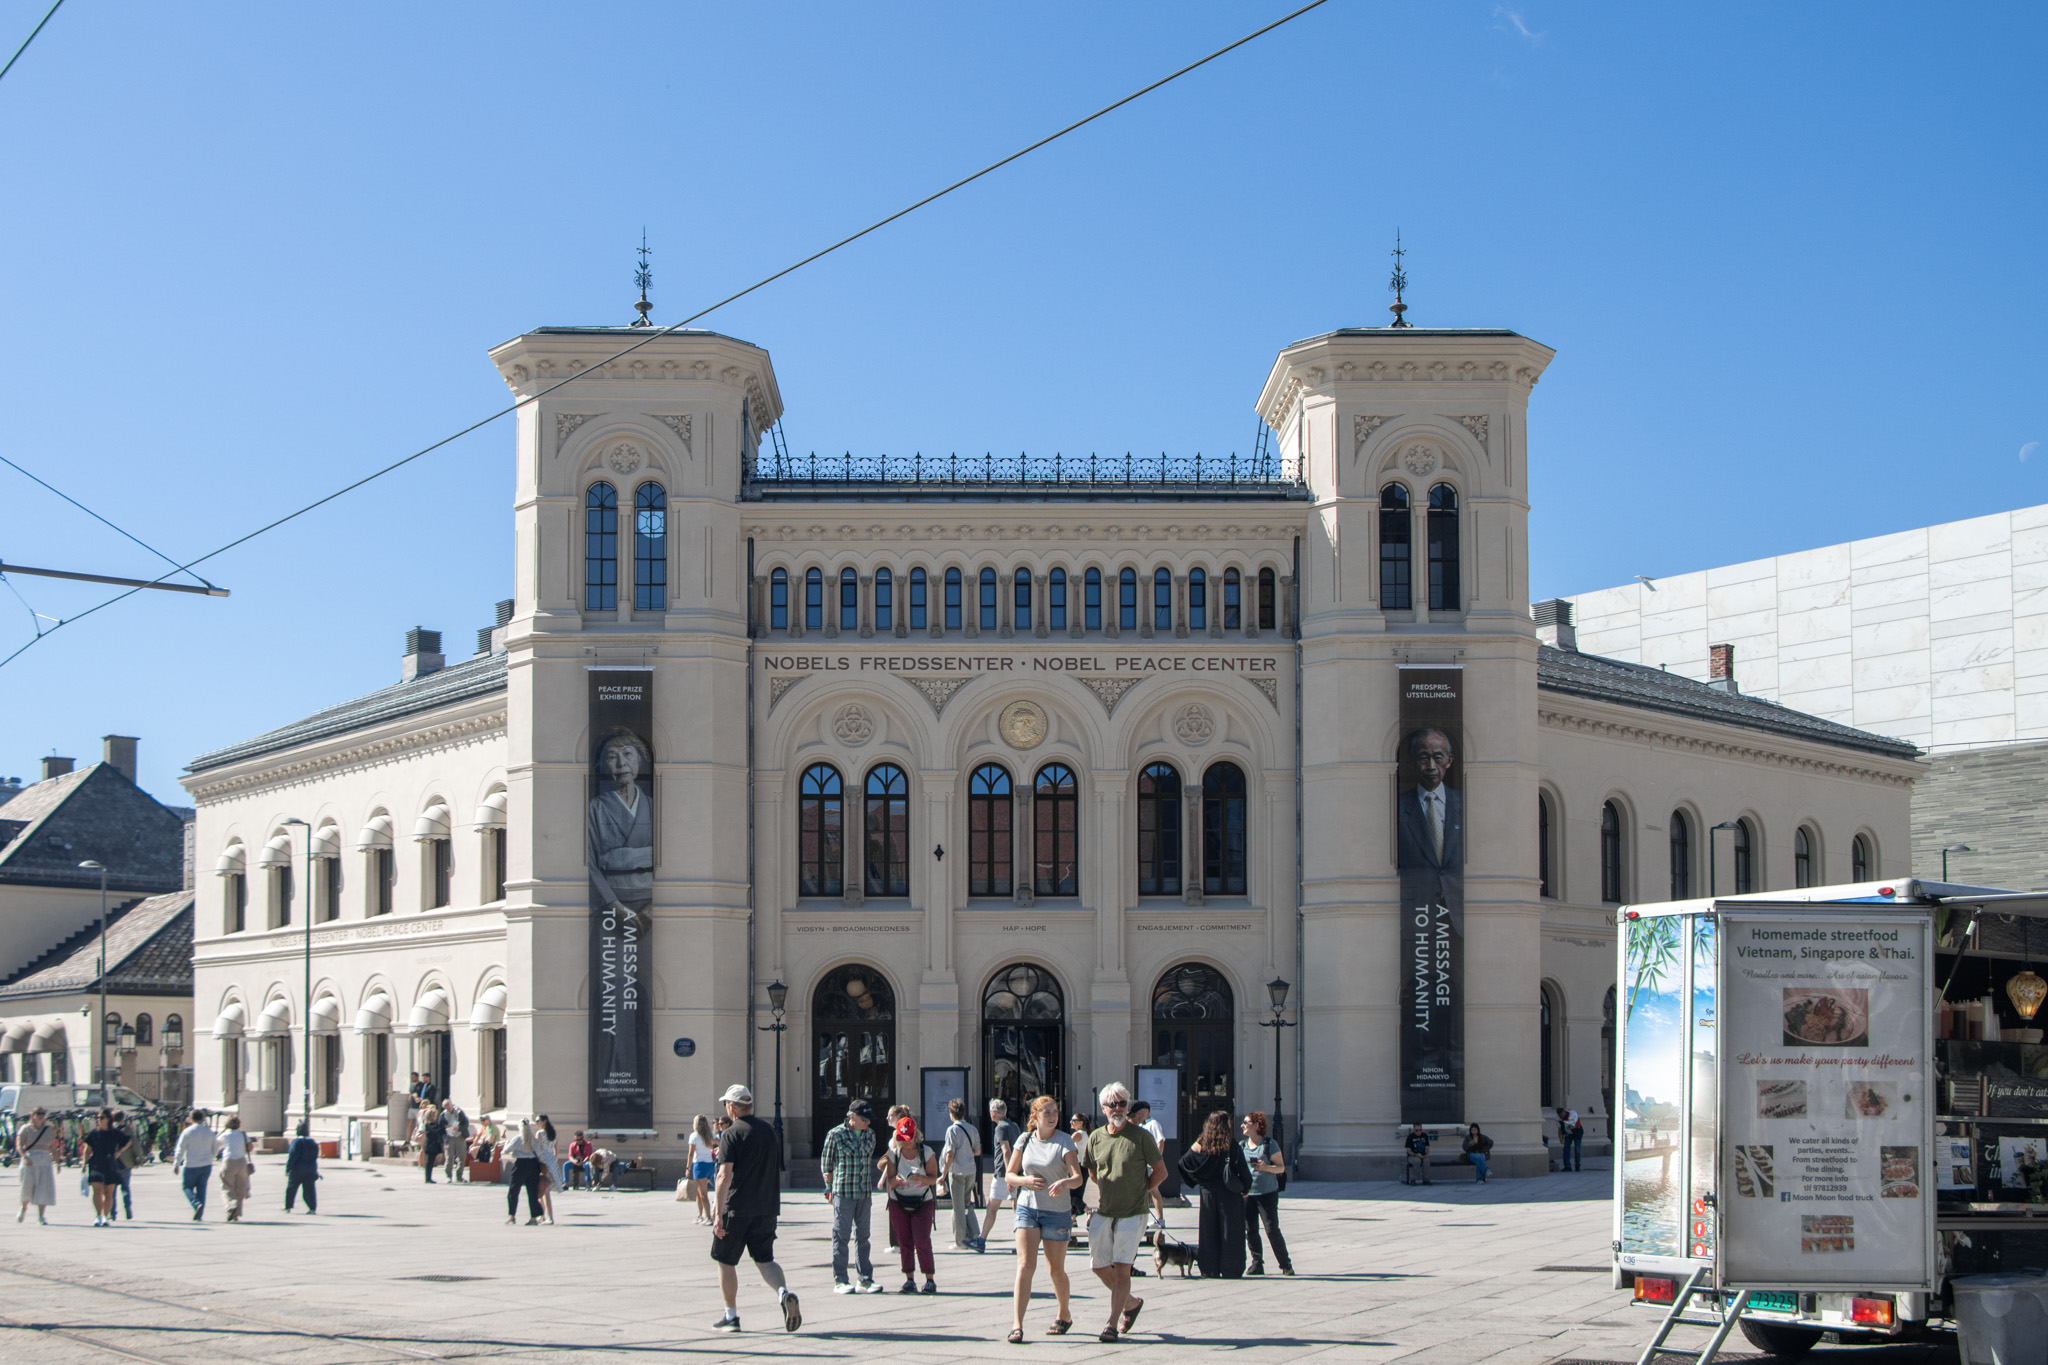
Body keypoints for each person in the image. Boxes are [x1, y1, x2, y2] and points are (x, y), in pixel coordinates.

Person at [709, 1083, 800, 1334]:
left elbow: (724, 1176)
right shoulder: (770, 1132)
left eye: (726, 1104)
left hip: (736, 1208)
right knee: (765, 1259)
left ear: (733, 1107)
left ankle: (731, 1316)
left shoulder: (731, 1134)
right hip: (766, 1208)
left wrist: (717, 1214)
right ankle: (783, 1293)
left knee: (725, 1261)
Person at [1080, 1081, 1167, 1343]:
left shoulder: (1141, 1136)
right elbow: (1093, 1172)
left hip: (1133, 1213)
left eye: (1122, 1103)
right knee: (1098, 1265)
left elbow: (1161, 1172)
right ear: (1103, 1108)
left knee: (1122, 1269)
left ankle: (1111, 1323)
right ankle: (1131, 1303)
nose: (1118, 1108)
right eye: (1112, 1104)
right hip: (1105, 1211)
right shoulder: (1096, 1137)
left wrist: (1142, 1190)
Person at [1006, 1094, 1082, 1342]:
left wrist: (1065, 1183)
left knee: (1055, 1270)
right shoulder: (1024, 1139)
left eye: (1055, 1112)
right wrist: (1025, 1180)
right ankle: (1017, 1325)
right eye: (1047, 1112)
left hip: (1057, 1212)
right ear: (1035, 1116)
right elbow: (1009, 1175)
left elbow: (1077, 1178)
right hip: (1028, 1208)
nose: (1052, 1117)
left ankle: (1064, 1314)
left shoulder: (1064, 1142)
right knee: (1025, 1265)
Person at [1177, 1110, 1252, 1280]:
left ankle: (1209, 1268)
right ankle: (1231, 1268)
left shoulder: (1201, 1143)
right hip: (1229, 1193)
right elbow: (1244, 1172)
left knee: (1208, 1230)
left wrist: (1195, 1180)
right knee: (1230, 1230)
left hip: (1207, 1193)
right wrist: (1245, 1189)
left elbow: (1183, 1163)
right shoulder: (1230, 1145)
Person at [819, 1098, 882, 1294]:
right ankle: (841, 1279)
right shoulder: (835, 1135)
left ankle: (865, 1279)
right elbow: (826, 1164)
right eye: (865, 1119)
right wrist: (828, 1188)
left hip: (864, 1191)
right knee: (841, 1235)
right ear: (852, 1117)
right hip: (843, 1192)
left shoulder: (869, 1134)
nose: (868, 1123)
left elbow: (865, 1153)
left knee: (863, 1236)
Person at [883, 1113, 939, 1294]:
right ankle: (909, 1279)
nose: (905, 1142)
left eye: (907, 1138)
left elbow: (933, 1179)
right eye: (901, 1138)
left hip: (922, 1201)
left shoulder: (927, 1153)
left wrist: (920, 1178)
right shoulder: (894, 1154)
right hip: (898, 1200)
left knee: (922, 1239)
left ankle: (929, 1279)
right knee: (904, 1241)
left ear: (915, 1135)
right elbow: (889, 1182)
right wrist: (896, 1181)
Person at [1241, 1111, 1293, 1275]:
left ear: (1257, 1125)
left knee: (1271, 1229)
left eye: (1246, 1122)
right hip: (1248, 1194)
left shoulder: (1269, 1144)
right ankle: (1257, 1263)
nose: (1243, 1125)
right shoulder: (1242, 1146)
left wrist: (1264, 1168)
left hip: (1267, 1194)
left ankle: (1285, 1264)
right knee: (1251, 1230)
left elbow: (1281, 1168)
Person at [938, 1097, 984, 1252]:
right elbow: (978, 1151)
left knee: (957, 1206)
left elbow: (950, 1154)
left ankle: (960, 1240)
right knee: (966, 1203)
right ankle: (974, 1232)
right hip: (971, 1170)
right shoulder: (972, 1129)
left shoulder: (952, 1130)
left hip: (957, 1171)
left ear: (951, 1114)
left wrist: (943, 1174)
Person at [979, 1098, 1021, 1248]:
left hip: (1004, 1174)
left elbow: (1006, 1151)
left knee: (992, 1208)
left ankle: (981, 1240)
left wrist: (1009, 1176)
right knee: (1017, 1208)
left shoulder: (1000, 1128)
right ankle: (1021, 1243)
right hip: (1016, 1172)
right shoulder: (1014, 1126)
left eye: (991, 1111)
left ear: (994, 1113)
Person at [81, 1109, 133, 1227]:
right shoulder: (94, 1133)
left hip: (110, 1163)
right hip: (96, 1163)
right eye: (98, 1118)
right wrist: (84, 1164)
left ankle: (105, 1216)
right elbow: (87, 1150)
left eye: (101, 1117)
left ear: (108, 1119)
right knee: (97, 1191)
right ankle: (98, 1215)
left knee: (109, 1192)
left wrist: (119, 1151)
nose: (99, 1120)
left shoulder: (115, 1133)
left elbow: (128, 1141)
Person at [1130, 1101, 1169, 1228]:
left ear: (1146, 1111)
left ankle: (1160, 1218)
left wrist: (1156, 1161)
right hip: (1142, 1163)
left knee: (1153, 1189)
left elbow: (1160, 1141)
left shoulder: (1153, 1124)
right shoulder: (1140, 1125)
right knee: (1145, 1190)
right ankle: (1142, 1217)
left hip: (1150, 1164)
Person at [16, 1105, 57, 1224]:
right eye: (38, 1114)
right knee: (26, 1187)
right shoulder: (25, 1128)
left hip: (44, 1160)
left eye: (42, 1114)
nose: (41, 1116)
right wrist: (24, 1157)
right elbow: (19, 1145)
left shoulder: (49, 1129)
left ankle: (41, 1216)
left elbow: (53, 1146)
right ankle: (23, 1208)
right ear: (32, 1116)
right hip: (29, 1159)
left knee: (43, 1188)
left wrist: (58, 1161)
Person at [172, 1111, 215, 1221]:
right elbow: (215, 1148)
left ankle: (196, 1205)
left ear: (191, 1119)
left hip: (191, 1164)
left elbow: (180, 1149)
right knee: (202, 1188)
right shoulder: (209, 1131)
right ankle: (200, 1212)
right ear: (203, 1118)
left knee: (187, 1187)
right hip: (206, 1164)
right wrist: (211, 1157)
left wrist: (177, 1164)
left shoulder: (187, 1132)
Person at [503, 1119, 546, 1225]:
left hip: (520, 1165)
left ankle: (512, 1215)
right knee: (532, 1192)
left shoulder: (517, 1139)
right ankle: (534, 1217)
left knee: (514, 1191)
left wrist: (506, 1143)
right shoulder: (533, 1139)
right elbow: (539, 1153)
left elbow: (506, 1150)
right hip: (533, 1165)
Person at [216, 1115, 254, 1222]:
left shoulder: (225, 1135)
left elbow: (216, 1144)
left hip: (228, 1161)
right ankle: (237, 1213)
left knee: (227, 1186)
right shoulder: (243, 1134)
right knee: (240, 1189)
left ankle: (230, 1206)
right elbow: (250, 1147)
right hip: (242, 1162)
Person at [109, 1109, 140, 1220]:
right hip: (126, 1163)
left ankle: (112, 1212)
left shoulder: (109, 1130)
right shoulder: (128, 1130)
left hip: (113, 1163)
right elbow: (136, 1145)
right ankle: (128, 1209)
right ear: (123, 1118)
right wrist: (140, 1159)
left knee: (112, 1189)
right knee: (125, 1187)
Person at [285, 1121, 321, 1212]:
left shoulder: (296, 1142)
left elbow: (292, 1156)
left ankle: (288, 1207)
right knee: (309, 1190)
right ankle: (312, 1208)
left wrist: (288, 1169)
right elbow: (315, 1156)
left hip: (298, 1169)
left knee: (292, 1188)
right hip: (310, 1169)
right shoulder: (313, 1142)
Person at [536, 1116, 559, 1224]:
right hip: (551, 1162)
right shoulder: (553, 1133)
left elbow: (537, 1149)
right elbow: (556, 1151)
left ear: (544, 1121)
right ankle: (546, 1216)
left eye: (538, 1121)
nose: (536, 1123)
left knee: (542, 1190)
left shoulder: (540, 1133)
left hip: (542, 1162)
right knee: (546, 1191)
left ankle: (545, 1216)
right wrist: (553, 1160)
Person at [443, 1102, 469, 1183]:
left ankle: (459, 1176)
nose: (448, 1109)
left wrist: (459, 1128)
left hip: (459, 1136)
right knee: (449, 1157)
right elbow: (441, 1125)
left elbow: (466, 1123)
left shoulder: (459, 1112)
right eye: (446, 1108)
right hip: (449, 1137)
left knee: (462, 1157)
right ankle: (448, 1176)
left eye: (448, 1107)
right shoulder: (443, 1114)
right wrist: (445, 1127)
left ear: (451, 1105)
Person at [421, 1104, 446, 1184]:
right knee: (429, 1162)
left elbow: (441, 1131)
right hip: (430, 1145)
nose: (436, 1117)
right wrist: (441, 1128)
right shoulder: (427, 1125)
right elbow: (435, 1132)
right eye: (434, 1116)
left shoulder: (436, 1124)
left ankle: (429, 1177)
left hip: (435, 1145)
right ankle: (427, 1178)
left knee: (432, 1162)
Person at [569, 1129, 598, 1194]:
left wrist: (583, 1162)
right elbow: (570, 1156)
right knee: (566, 1165)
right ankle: (566, 1183)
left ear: (583, 1138)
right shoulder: (572, 1145)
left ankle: (588, 1183)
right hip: (576, 1161)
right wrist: (575, 1161)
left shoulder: (588, 1144)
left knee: (588, 1165)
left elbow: (588, 1156)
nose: (579, 1141)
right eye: (577, 1140)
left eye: (580, 1139)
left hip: (585, 1161)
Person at [1556, 1107, 1583, 1172]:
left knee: (1577, 1149)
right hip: (1568, 1134)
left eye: (1561, 1115)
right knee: (1566, 1149)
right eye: (1559, 1116)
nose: (1560, 1117)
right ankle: (1567, 1166)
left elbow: (1576, 1125)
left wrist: (1568, 1126)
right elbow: (1559, 1130)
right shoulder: (1558, 1119)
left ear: (1563, 1112)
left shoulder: (1572, 1114)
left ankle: (1577, 1165)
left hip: (1577, 1132)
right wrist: (1561, 1139)